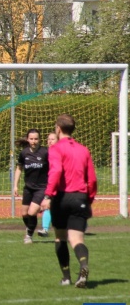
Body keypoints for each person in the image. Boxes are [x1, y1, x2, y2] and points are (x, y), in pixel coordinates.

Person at [40, 114, 97, 288]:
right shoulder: (84, 150)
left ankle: (66, 278)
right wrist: (88, 199)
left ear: (58, 129)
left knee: (60, 238)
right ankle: (83, 265)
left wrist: (48, 195)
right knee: (77, 239)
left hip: (62, 197)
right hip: (80, 197)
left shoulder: (56, 149)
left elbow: (56, 171)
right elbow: (92, 179)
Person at [13, 129, 49, 244]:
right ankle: (30, 228)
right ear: (27, 139)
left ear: (39, 139)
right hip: (28, 188)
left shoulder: (45, 152)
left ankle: (29, 235)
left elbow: (54, 169)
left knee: (32, 212)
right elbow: (19, 168)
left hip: (41, 188)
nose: (33, 141)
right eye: (31, 139)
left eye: (36, 139)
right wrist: (15, 186)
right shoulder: (24, 153)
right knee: (25, 214)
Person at [37, 132, 58, 237]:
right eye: (48, 139)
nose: (50, 141)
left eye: (52, 139)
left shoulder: (59, 153)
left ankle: (79, 225)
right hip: (47, 183)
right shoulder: (44, 153)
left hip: (58, 183)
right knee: (48, 205)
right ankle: (45, 229)